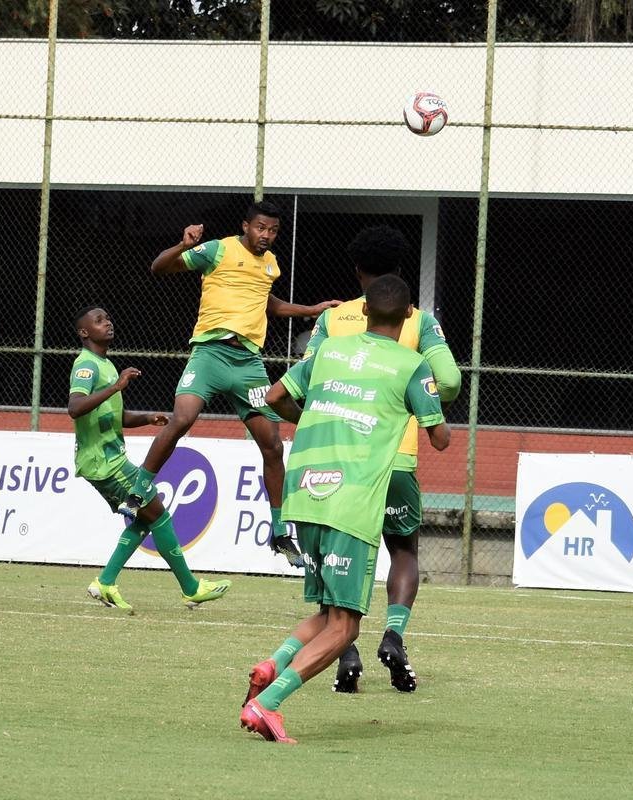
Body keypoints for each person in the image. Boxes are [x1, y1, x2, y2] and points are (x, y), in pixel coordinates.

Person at [239, 275, 450, 744]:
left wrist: (316, 414)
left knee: (328, 610)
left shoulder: (328, 351)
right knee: (347, 625)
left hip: (305, 491)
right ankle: (267, 704)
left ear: (366, 312)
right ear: (409, 316)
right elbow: (440, 438)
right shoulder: (412, 365)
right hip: (351, 500)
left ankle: (270, 664)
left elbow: (273, 399)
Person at [117, 200, 340, 568]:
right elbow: (160, 267)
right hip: (209, 354)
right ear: (246, 226)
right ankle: (139, 488)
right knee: (183, 418)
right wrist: (184, 245)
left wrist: (311, 310)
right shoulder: (218, 249)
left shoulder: (270, 264)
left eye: (273, 231)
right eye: (261, 228)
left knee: (271, 445)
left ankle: (281, 530)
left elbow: (267, 304)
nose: (266, 235)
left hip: (248, 364)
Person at [303, 225, 461, 694]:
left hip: (335, 461)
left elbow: (307, 379)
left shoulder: (333, 320)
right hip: (396, 459)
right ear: (399, 274)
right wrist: (421, 400)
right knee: (404, 550)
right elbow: (449, 381)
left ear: (358, 273)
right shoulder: (417, 319)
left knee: (342, 553)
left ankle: (342, 645)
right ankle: (393, 633)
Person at [69, 306, 231, 609]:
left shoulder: (105, 365)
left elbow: (111, 416)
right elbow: (75, 407)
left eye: (108, 317)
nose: (108, 323)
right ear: (84, 332)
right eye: (99, 321)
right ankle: (191, 588)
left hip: (110, 460)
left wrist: (144, 418)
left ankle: (105, 582)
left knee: (146, 520)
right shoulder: (86, 366)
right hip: (105, 464)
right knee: (159, 514)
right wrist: (116, 387)